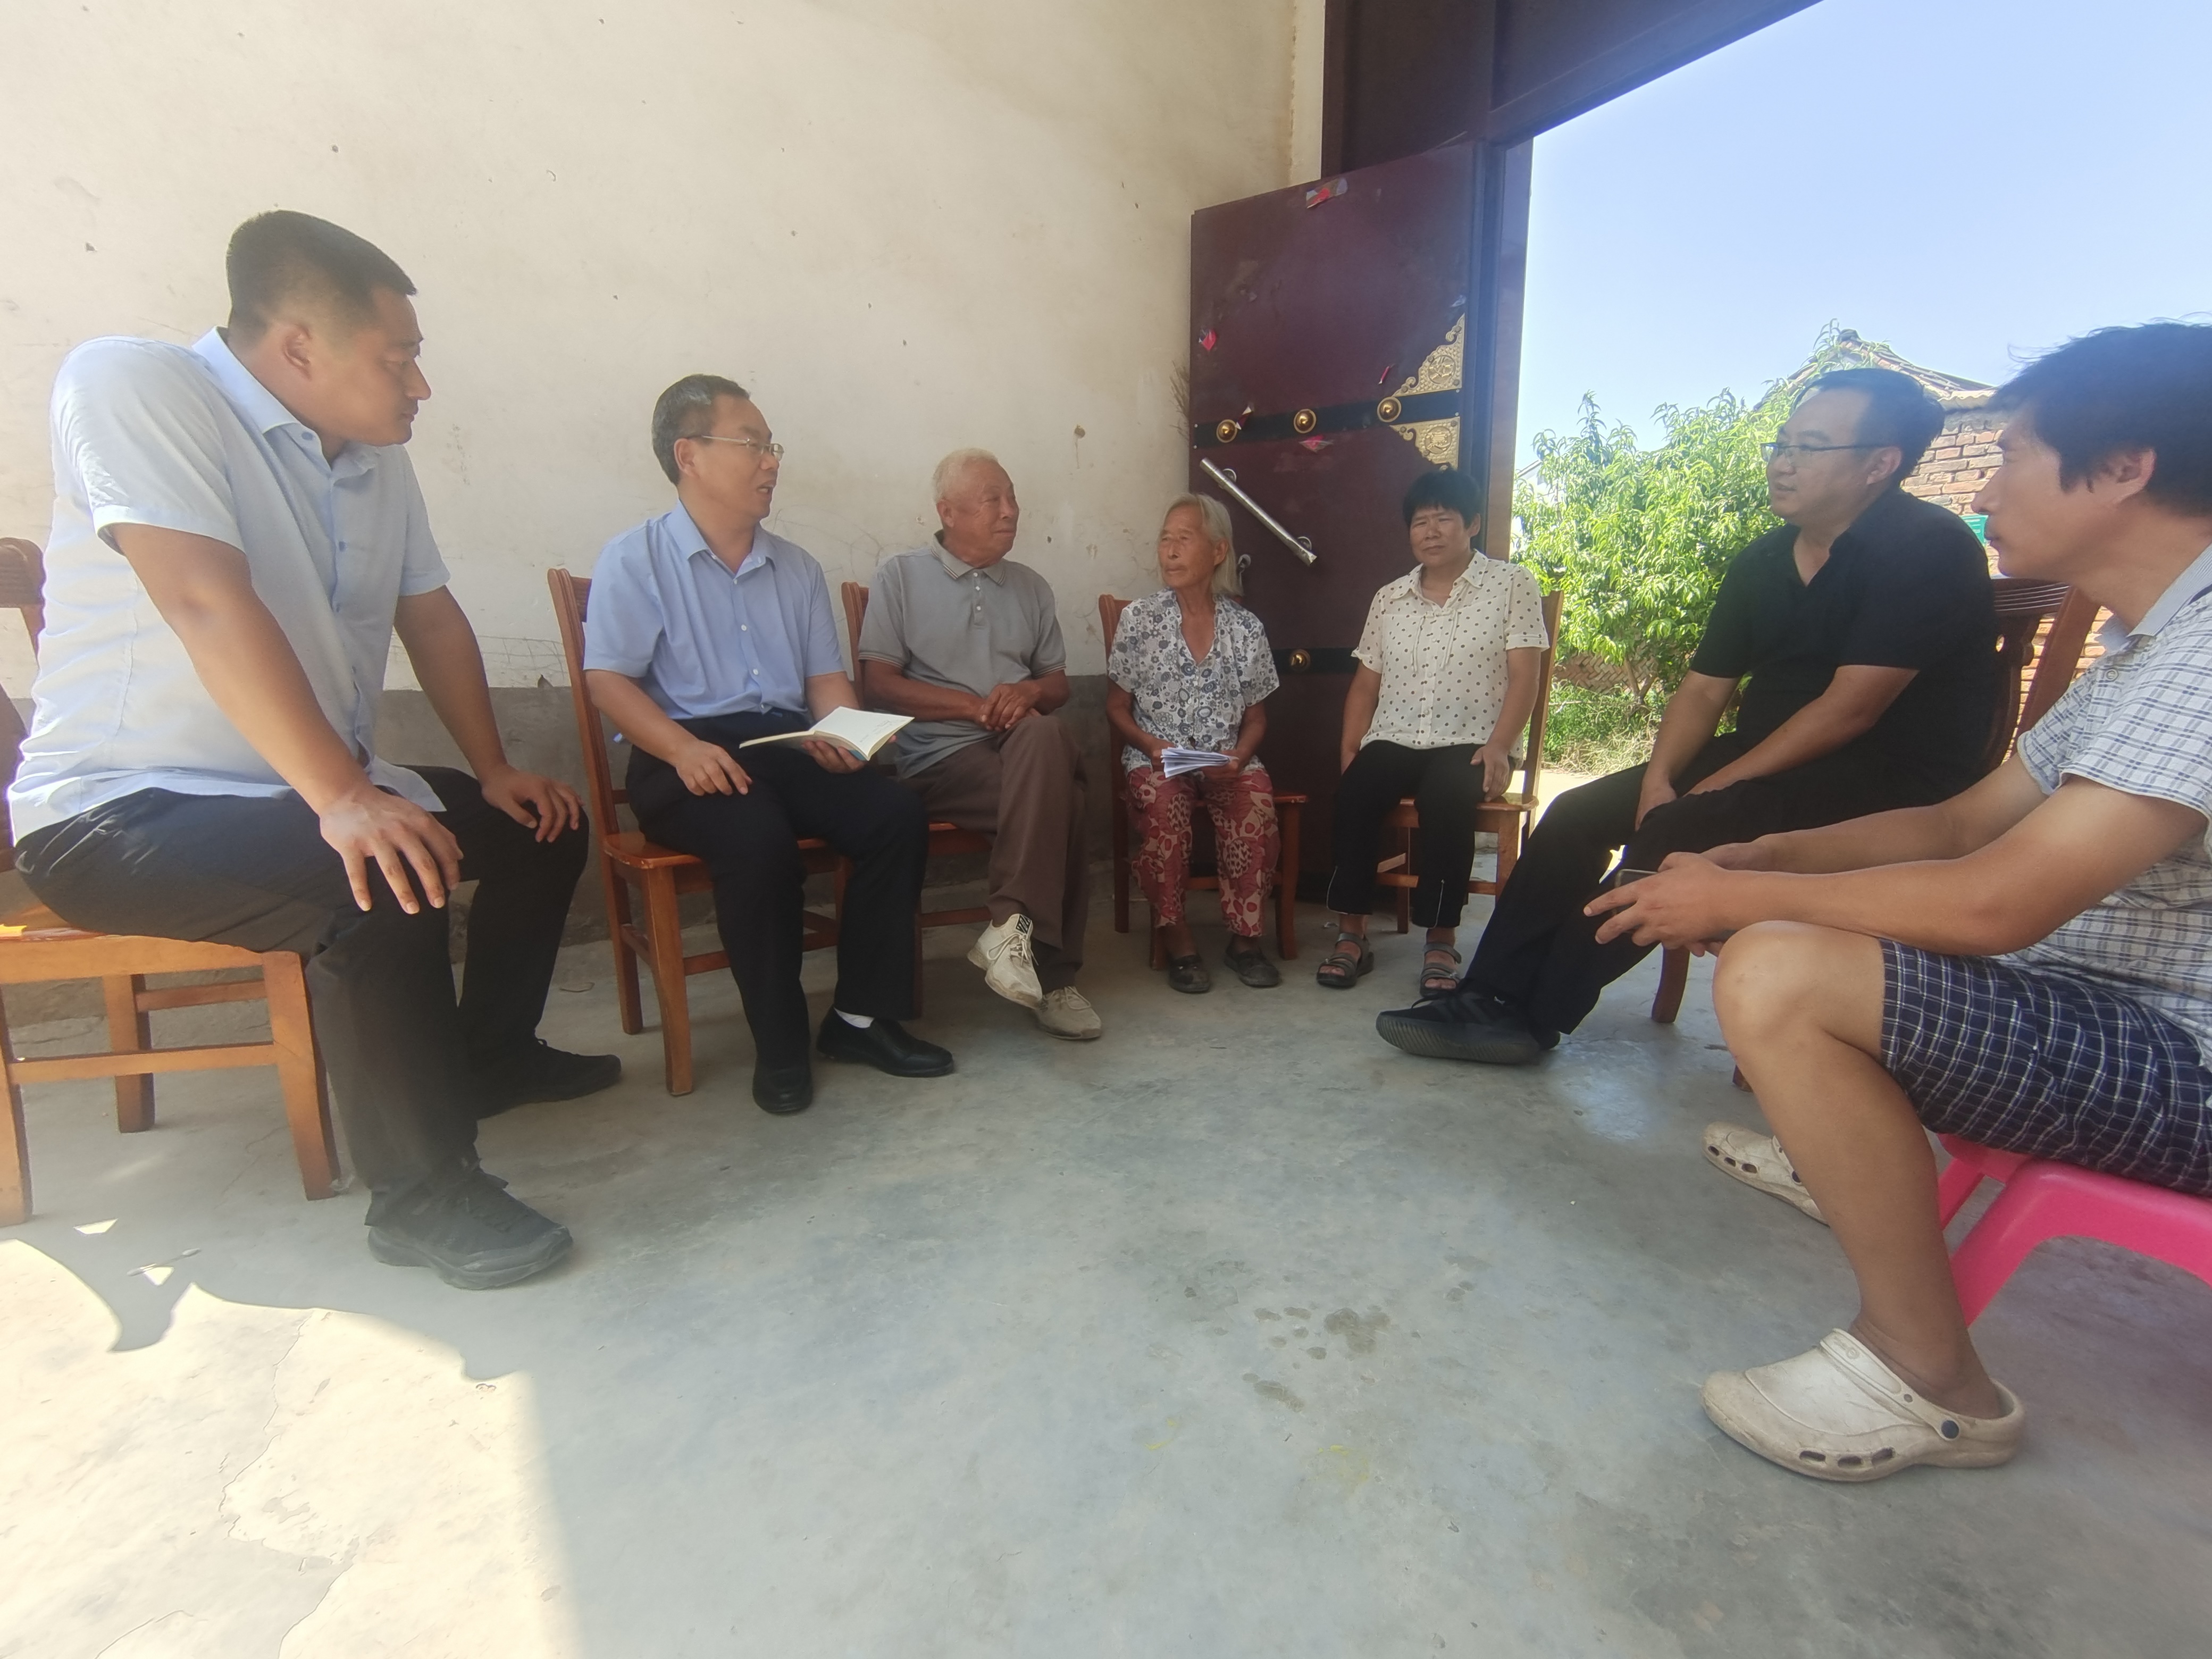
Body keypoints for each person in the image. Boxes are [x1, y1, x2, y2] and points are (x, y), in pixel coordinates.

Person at [1585, 321, 2212, 1482]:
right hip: (2104, 1004)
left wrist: (1743, 898)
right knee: (1788, 920)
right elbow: (1963, 825)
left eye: (2014, 454)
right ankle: (1847, 1158)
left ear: (2126, 466)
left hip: (2186, 1059)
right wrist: (1773, 856)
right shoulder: (2143, 652)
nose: (1985, 485)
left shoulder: (2203, 657)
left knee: (1781, 968)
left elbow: (1994, 905)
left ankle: (1931, 1377)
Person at [9, 211, 617, 1290]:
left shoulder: (375, 462)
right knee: (378, 878)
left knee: (537, 826)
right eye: (399, 358)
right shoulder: (134, 385)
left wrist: (493, 770)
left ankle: (487, 1059)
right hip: (121, 810)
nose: (420, 385)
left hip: (313, 791)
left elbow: (430, 615)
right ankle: (422, 1194)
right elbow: (203, 600)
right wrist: (341, 796)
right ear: (298, 347)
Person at [1379, 367, 1999, 1065]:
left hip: (1885, 777)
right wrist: (1660, 777)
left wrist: (1711, 787)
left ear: (1879, 464)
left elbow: (1850, 708)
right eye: (1780, 444)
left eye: (1809, 447)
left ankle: (1534, 1015)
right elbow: (1704, 689)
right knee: (1579, 813)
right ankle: (1488, 993)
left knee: (1678, 829)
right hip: (1766, 755)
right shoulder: (1763, 560)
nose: (1782, 462)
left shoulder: (1928, 546)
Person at [583, 376, 951, 1116]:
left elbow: (824, 681)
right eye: (751, 444)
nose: (771, 461)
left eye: (771, 445)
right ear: (689, 455)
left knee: (893, 816)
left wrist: (844, 734)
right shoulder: (636, 559)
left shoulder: (797, 568)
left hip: (785, 745)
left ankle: (859, 1020)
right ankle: (780, 1043)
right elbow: (608, 682)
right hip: (682, 754)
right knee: (756, 839)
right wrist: (682, 750)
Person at [856, 450, 1100, 1040]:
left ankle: (1010, 930)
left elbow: (1058, 685)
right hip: (940, 759)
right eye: (993, 500)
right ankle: (1053, 976)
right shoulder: (899, 576)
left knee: (1043, 731)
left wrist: (1028, 692)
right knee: (1065, 801)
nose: (1010, 510)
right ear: (948, 512)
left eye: (1012, 497)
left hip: (1021, 750)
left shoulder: (1031, 587)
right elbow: (878, 684)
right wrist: (973, 707)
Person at [1317, 468, 1548, 998]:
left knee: (1446, 797)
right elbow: (1365, 685)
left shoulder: (1511, 584)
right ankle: (1351, 935)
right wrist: (1350, 751)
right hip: (1397, 735)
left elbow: (1525, 677)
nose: (1431, 531)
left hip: (1474, 739)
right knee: (1354, 793)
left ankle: (1440, 941)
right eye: (1420, 521)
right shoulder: (1389, 598)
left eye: (1443, 518)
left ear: (1472, 524)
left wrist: (1500, 745)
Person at [1106, 495, 1283, 993]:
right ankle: (1177, 938)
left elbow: (1257, 719)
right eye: (1165, 540)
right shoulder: (1140, 620)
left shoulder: (1246, 628)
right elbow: (1115, 707)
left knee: (1256, 801)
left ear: (1218, 550)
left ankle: (1245, 941)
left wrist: (1240, 756)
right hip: (1157, 758)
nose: (1170, 551)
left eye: (1184, 539)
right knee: (1164, 808)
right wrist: (1150, 744)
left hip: (1225, 758)